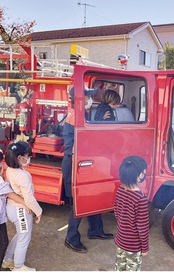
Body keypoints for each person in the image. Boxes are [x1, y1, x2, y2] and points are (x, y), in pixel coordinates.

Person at [63, 86, 113, 254]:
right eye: (87, 97)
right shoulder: (74, 117)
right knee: (79, 201)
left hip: (85, 160)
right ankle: (71, 238)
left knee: (93, 195)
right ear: (79, 99)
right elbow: (73, 146)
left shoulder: (82, 114)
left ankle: (95, 230)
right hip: (75, 162)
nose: (90, 100)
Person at [2, 141, 42, 272]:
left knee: (20, 235)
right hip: (21, 211)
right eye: (27, 155)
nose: (28, 157)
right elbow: (29, 198)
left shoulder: (10, 170)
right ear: (20, 158)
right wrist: (39, 211)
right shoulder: (23, 175)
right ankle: (18, 267)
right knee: (24, 238)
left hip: (12, 207)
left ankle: (8, 260)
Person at [114, 156, 149, 271]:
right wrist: (145, 248)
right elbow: (142, 227)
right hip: (133, 246)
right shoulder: (141, 199)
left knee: (120, 268)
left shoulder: (120, 190)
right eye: (143, 172)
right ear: (138, 176)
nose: (144, 173)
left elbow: (117, 212)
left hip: (120, 240)